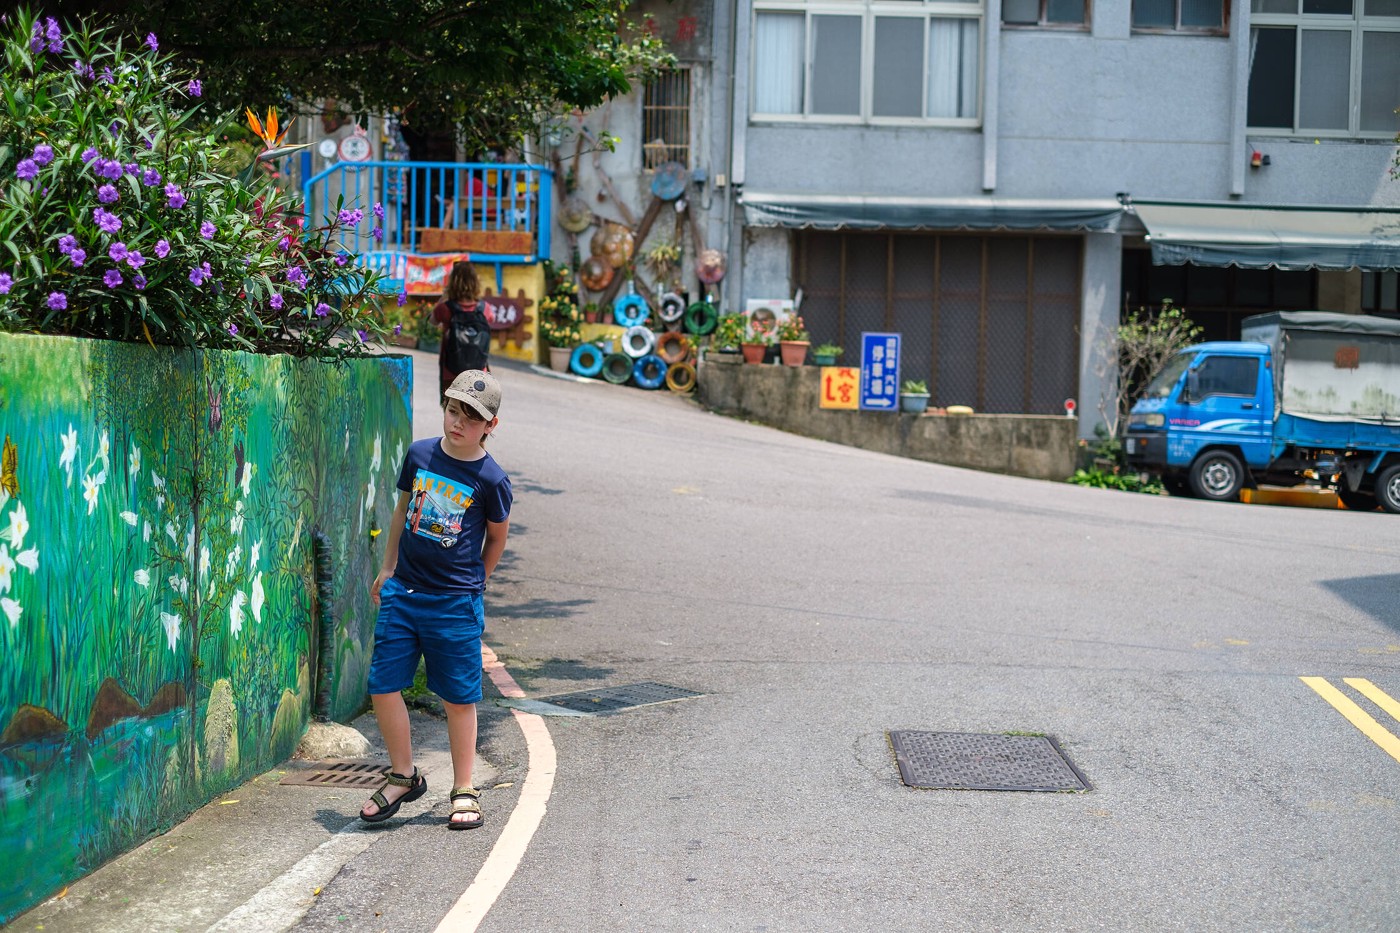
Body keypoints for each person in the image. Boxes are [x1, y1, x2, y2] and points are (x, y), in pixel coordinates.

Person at [359, 370, 513, 830]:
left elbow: (496, 539)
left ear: (490, 426)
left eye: (471, 418)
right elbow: (402, 510)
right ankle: (403, 775)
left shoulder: (491, 479)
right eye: (453, 411)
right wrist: (388, 566)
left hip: (454, 604)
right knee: (382, 685)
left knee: (458, 697)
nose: (458, 423)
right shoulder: (420, 454)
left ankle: (464, 788)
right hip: (404, 593)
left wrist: (474, 584)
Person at [432, 261, 491, 397]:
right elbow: (490, 320)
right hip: (478, 373)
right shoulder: (484, 309)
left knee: (452, 408)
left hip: (451, 372)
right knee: (475, 408)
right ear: (475, 283)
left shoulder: (445, 308)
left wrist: (444, 297)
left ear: (453, 282)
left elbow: (433, 321)